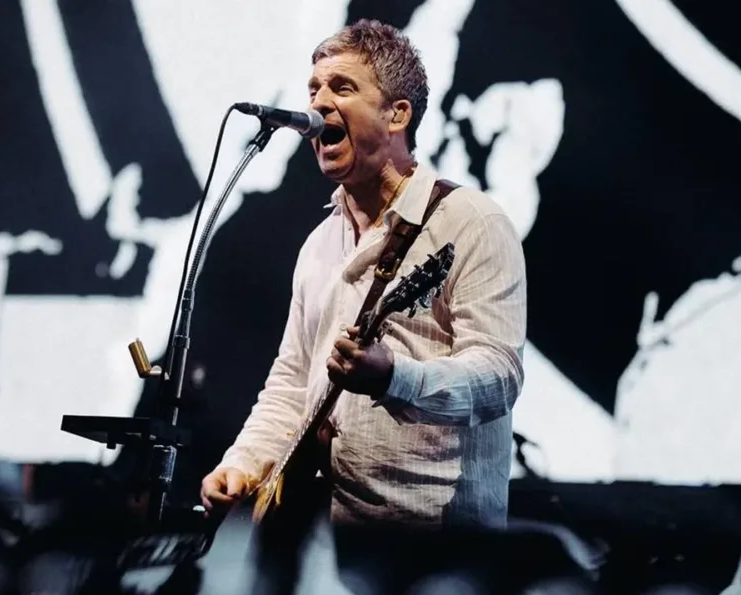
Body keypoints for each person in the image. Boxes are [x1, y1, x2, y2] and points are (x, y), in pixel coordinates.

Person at [200, 18, 526, 531]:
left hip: (432, 548)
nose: (318, 104)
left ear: (397, 114)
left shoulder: (472, 223)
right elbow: (292, 383)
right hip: (326, 543)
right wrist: (242, 463)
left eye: (341, 87)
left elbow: (497, 377)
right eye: (314, 89)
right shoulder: (319, 244)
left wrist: (396, 376)